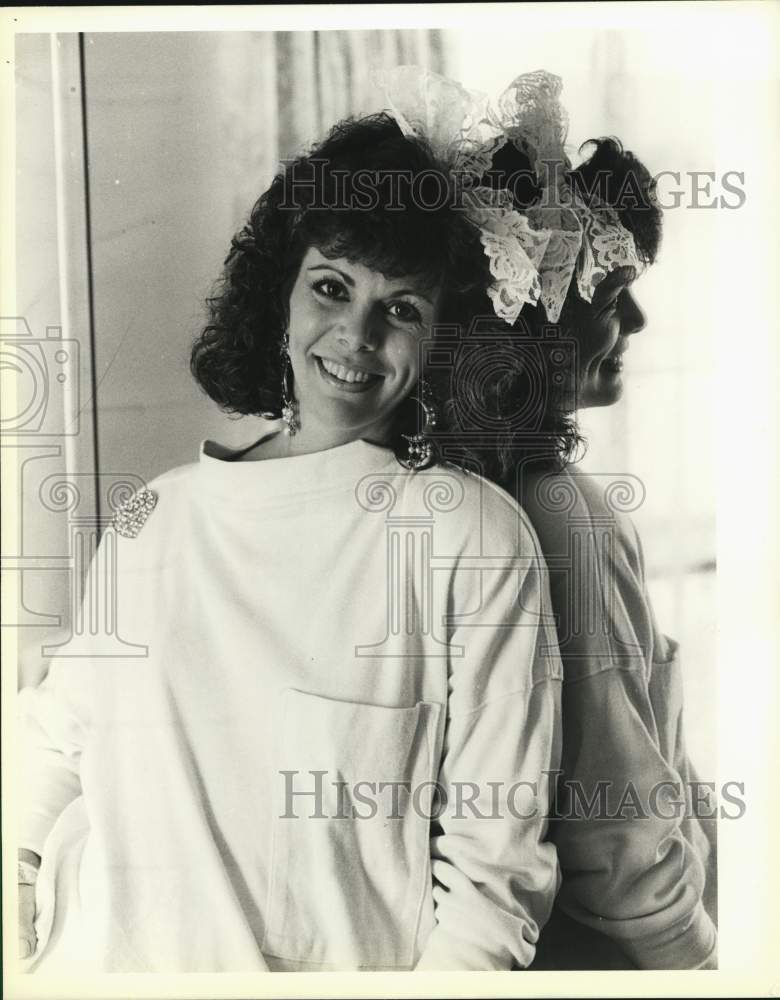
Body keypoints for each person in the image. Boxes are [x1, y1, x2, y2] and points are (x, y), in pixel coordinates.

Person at [16, 112, 564, 972]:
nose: (358, 335)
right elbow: (55, 739)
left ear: (448, 339)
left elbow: (497, 874)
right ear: (277, 294)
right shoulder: (151, 516)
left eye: (403, 307)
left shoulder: (473, 536)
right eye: (332, 287)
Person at [383, 67, 718, 970]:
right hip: (591, 951)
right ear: (524, 338)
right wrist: (697, 962)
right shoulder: (566, 519)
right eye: (611, 299)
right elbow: (620, 835)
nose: (638, 321)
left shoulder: (426, 490)